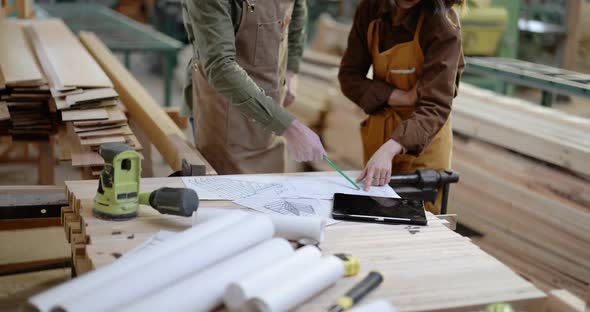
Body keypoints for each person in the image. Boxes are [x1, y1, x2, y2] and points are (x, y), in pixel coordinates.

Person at [339, 0, 465, 214]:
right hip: (380, 139)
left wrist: (391, 147)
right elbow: (349, 76)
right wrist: (399, 97)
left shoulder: (443, 24)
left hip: (424, 143)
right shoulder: (370, 10)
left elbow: (435, 106)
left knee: (416, 227)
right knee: (377, 220)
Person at [182, 0, 325, 174]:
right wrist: (289, 127)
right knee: (227, 193)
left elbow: (297, 8)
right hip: (223, 108)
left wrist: (291, 69)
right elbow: (220, 67)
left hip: (272, 107)